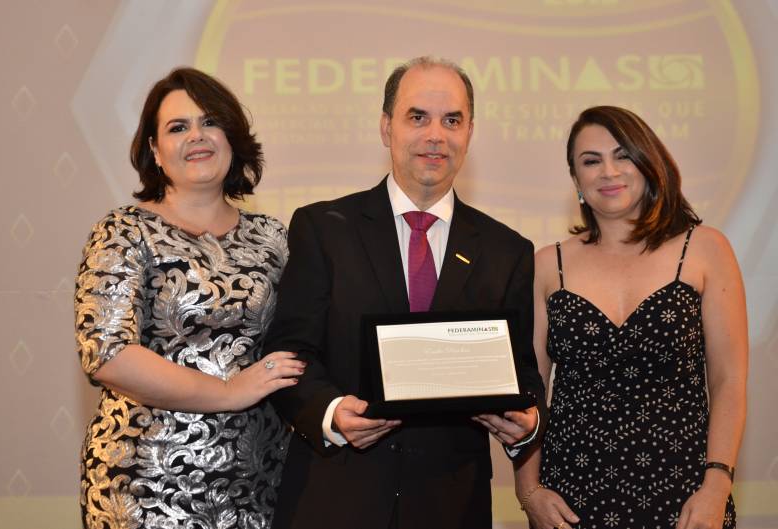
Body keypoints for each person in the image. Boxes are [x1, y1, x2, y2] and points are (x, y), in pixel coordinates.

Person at [261, 56, 546, 529]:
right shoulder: (323, 228)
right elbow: (290, 351)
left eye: (451, 120)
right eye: (417, 117)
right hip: (335, 498)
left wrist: (529, 421)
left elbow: (522, 371)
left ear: (470, 132)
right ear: (385, 127)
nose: (436, 135)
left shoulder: (507, 250)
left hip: (451, 506)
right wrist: (330, 413)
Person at [74, 67, 303, 528]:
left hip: (261, 479)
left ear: (232, 138)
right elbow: (108, 354)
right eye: (178, 127)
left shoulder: (272, 237)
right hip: (147, 483)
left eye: (210, 122)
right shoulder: (123, 231)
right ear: (155, 151)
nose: (197, 136)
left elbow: (302, 338)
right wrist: (228, 392)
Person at [514, 105, 748, 529]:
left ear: (648, 163)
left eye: (622, 155)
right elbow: (528, 392)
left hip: (685, 498)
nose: (608, 171)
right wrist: (528, 491)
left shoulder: (705, 249)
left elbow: (728, 380)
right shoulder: (547, 265)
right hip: (569, 500)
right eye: (591, 161)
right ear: (576, 180)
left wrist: (717, 485)